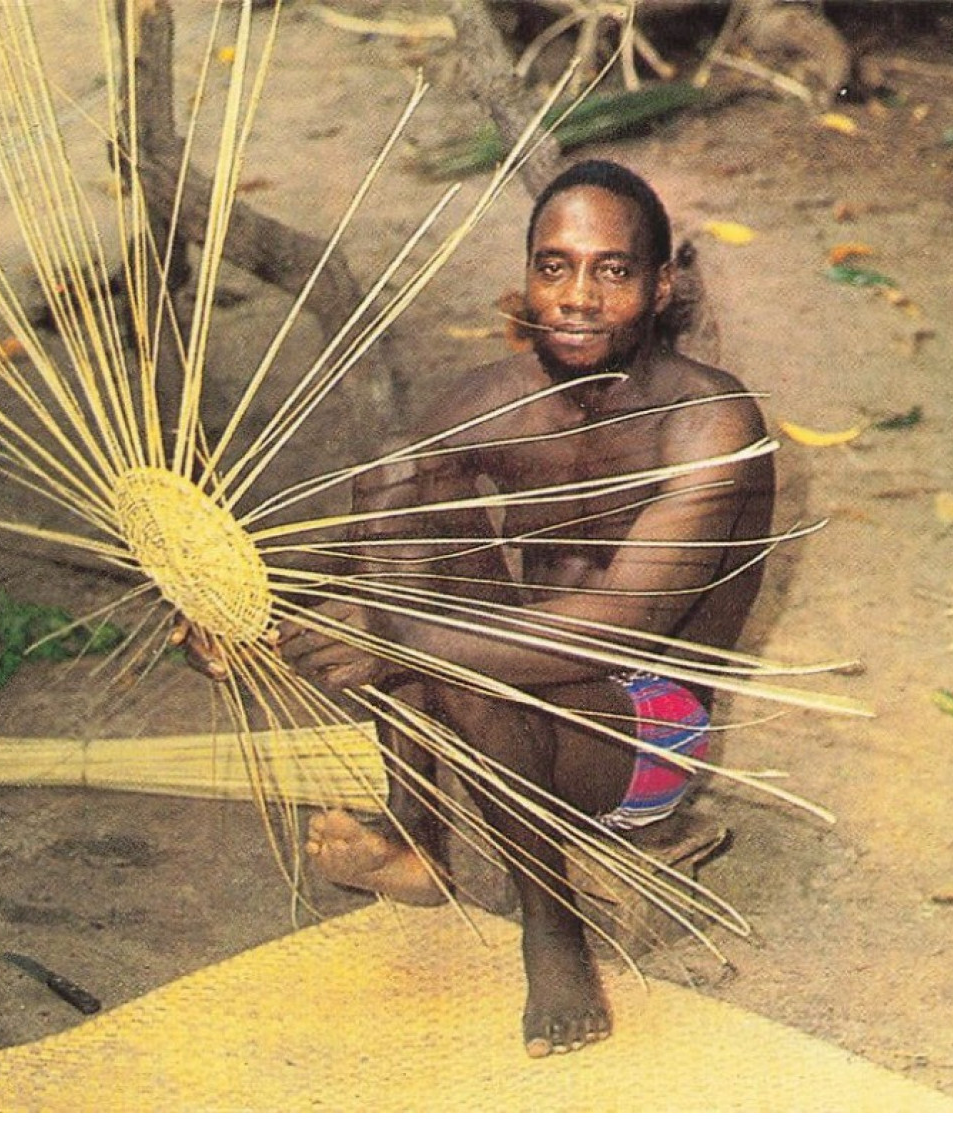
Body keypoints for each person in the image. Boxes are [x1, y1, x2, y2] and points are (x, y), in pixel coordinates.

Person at [277, 160, 775, 1057]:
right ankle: (415, 834)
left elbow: (624, 619)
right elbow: (379, 539)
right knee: (398, 474)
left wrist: (399, 641)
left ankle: (553, 933)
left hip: (638, 733)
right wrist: (251, 606)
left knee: (472, 659)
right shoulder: (500, 400)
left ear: (661, 287)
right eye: (554, 267)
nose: (576, 297)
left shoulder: (709, 424)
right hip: (506, 683)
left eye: (610, 271)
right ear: (528, 276)